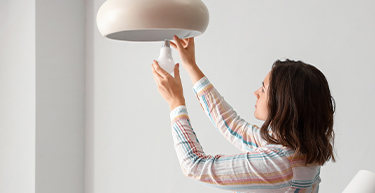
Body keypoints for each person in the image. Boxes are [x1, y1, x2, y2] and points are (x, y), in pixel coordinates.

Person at [151, 35, 336, 193]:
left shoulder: (279, 165)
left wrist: (176, 103)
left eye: (263, 89)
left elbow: (194, 165)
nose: (256, 92)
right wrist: (191, 66)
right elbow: (233, 126)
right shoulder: (297, 150)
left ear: (284, 103)